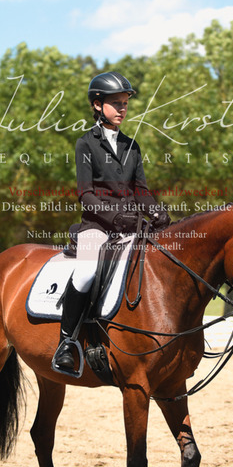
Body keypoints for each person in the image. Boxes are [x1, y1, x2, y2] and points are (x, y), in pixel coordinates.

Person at [53, 71, 170, 373]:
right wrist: (112, 216)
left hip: (131, 225)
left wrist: (156, 212)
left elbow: (140, 190)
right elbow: (85, 194)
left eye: (125, 103)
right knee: (86, 272)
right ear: (97, 104)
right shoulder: (85, 144)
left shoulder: (133, 146)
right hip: (97, 226)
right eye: (116, 103)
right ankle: (67, 342)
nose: (122, 108)